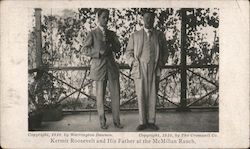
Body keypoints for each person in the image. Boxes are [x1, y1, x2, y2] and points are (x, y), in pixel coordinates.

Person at [125, 9, 168, 131]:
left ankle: (151, 121)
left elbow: (165, 52)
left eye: (151, 18)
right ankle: (142, 122)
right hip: (140, 67)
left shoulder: (159, 35)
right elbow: (128, 52)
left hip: (154, 67)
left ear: (154, 20)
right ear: (142, 19)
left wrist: (161, 63)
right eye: (146, 18)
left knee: (153, 94)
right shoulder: (135, 35)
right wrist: (133, 62)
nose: (148, 20)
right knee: (141, 94)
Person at [82, 9, 123, 129]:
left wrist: (113, 43)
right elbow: (84, 50)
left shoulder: (112, 33)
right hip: (99, 68)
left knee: (116, 95)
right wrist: (98, 52)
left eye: (107, 17)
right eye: (104, 17)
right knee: (100, 96)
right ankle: (102, 121)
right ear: (98, 18)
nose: (106, 20)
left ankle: (117, 121)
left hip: (112, 68)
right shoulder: (92, 33)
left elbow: (118, 48)